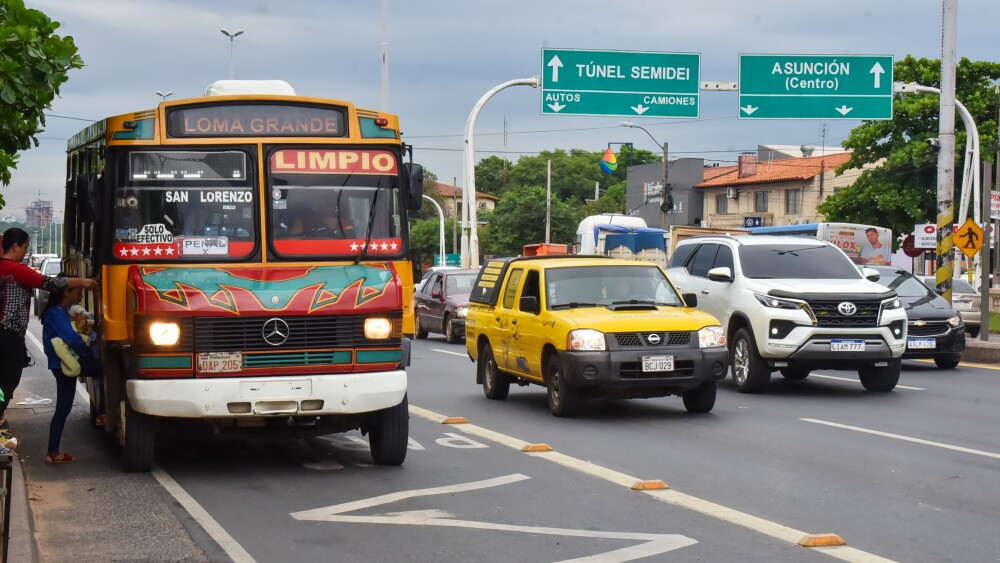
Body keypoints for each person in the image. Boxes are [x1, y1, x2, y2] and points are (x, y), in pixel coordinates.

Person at [0, 228, 98, 447]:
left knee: (4, 383)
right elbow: (50, 283)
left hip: (5, 334)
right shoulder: (13, 269)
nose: (25, 252)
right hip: (8, 334)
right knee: (7, 383)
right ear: (15, 247)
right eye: (25, 247)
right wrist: (83, 282)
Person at [41, 278, 97, 463]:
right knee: (101, 368)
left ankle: (53, 452)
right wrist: (88, 351)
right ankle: (104, 413)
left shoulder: (60, 311)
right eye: (78, 291)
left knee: (63, 408)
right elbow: (71, 339)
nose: (81, 295)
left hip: (60, 365)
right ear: (66, 292)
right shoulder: (57, 313)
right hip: (63, 364)